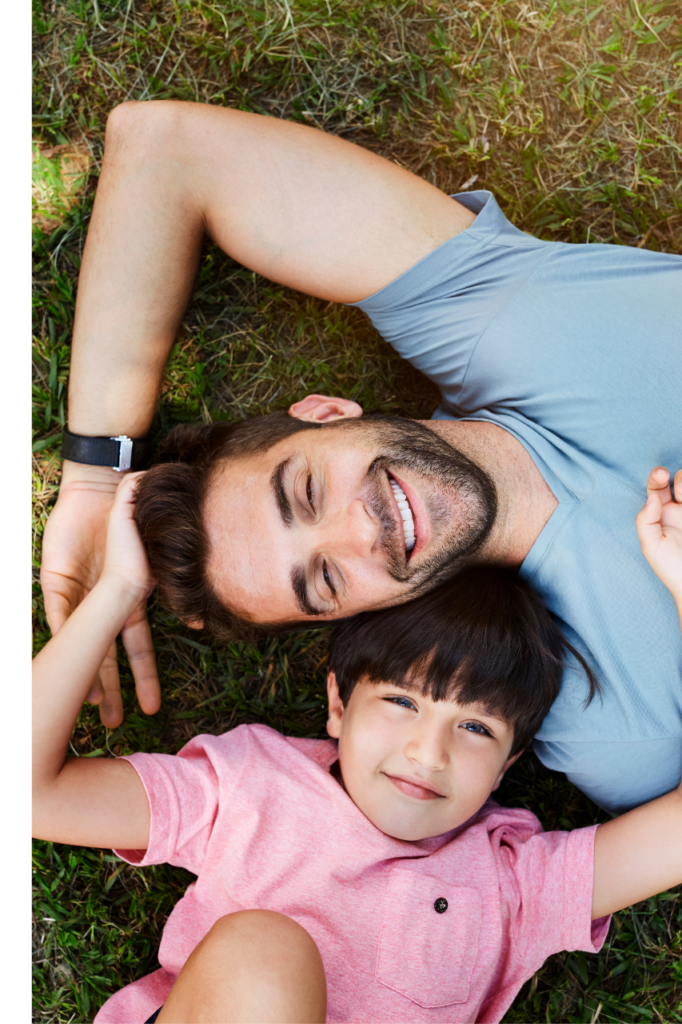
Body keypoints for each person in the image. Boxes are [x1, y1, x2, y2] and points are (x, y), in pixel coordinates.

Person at [40, 100, 682, 812]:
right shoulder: (606, 726)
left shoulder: (494, 310)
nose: (360, 531)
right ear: (355, 619)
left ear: (328, 413)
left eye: (309, 489)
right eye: (325, 580)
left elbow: (167, 149)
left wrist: (96, 479)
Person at [32, 468, 682, 1024]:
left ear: (509, 764)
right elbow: (29, 795)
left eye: (478, 727)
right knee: (264, 953)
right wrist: (118, 590)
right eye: (402, 702)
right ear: (339, 704)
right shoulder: (249, 790)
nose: (430, 753)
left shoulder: (516, 883)